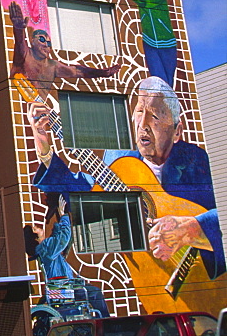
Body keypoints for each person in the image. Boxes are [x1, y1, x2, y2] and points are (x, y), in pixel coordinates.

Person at [27, 76, 225, 279]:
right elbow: (84, 190)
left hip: (205, 275)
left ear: (177, 131)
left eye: (155, 116)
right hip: (155, 279)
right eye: (140, 111)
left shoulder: (196, 162)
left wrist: (192, 229)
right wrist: (44, 149)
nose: (143, 124)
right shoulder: (119, 157)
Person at [91, 0, 177, 86]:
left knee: (169, 82)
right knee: (158, 81)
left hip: (166, 42)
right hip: (149, 41)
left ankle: (170, 106)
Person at [8, 1, 121, 94]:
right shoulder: (26, 55)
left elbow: (79, 72)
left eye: (49, 43)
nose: (46, 45)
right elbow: (20, 42)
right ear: (33, 42)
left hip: (42, 114)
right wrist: (18, 28)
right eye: (42, 39)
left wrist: (102, 73)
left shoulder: (53, 66)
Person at [23, 195, 109, 317]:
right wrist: (63, 216)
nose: (37, 227)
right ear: (35, 237)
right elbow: (63, 238)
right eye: (35, 228)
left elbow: (57, 241)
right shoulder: (46, 247)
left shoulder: (43, 250)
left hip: (61, 287)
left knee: (88, 290)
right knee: (95, 293)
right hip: (64, 287)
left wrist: (58, 225)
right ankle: (105, 322)